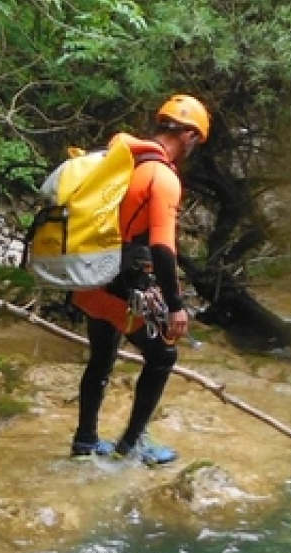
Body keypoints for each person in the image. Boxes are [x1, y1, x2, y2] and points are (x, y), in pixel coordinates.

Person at [69, 94, 207, 465]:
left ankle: (85, 442)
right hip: (120, 285)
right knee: (163, 355)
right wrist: (176, 307)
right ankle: (131, 445)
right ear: (190, 136)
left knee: (101, 357)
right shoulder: (162, 177)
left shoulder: (121, 161)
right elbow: (163, 249)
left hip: (88, 275)